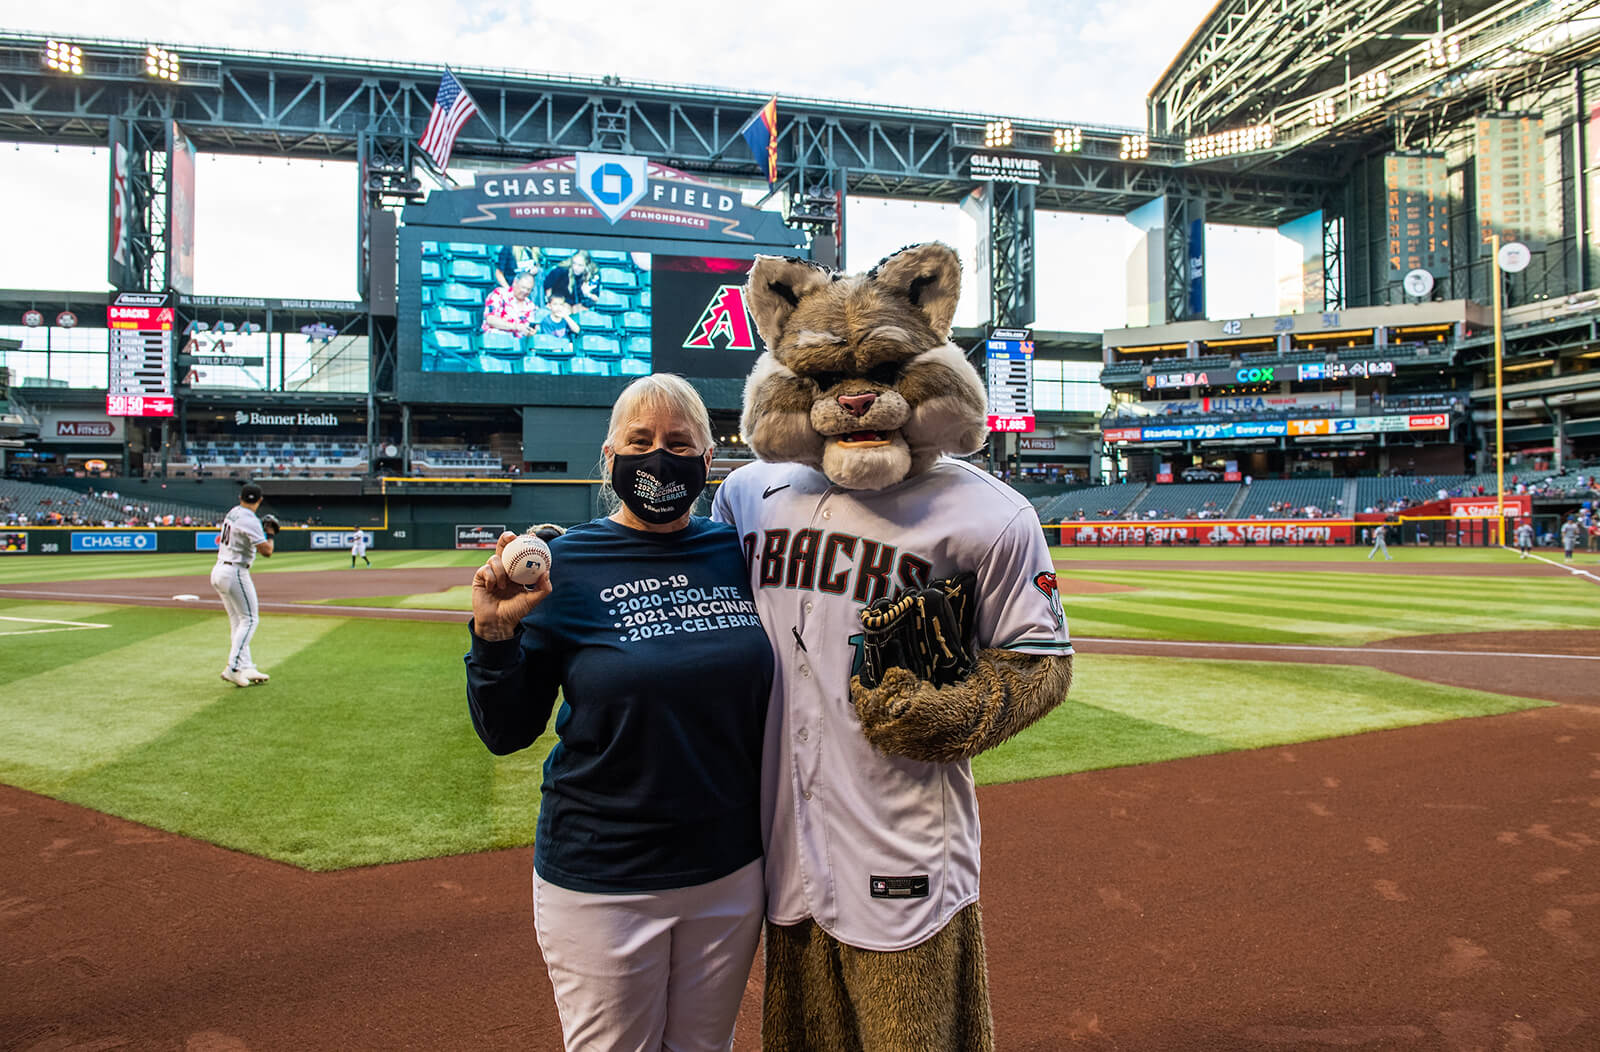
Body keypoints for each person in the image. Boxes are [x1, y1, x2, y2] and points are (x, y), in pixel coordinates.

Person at [464, 374, 771, 1052]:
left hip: (729, 868)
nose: (658, 456)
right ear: (610, 456)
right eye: (641, 440)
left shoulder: (738, 555)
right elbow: (507, 730)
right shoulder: (566, 564)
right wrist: (493, 637)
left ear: (708, 460)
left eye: (678, 443)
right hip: (605, 874)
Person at [211, 483, 274, 687]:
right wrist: (271, 533)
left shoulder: (234, 512)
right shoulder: (250, 519)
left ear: (240, 497)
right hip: (235, 571)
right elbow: (267, 551)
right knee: (250, 620)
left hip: (220, 568)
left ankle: (245, 666)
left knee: (238, 622)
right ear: (260, 500)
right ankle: (233, 667)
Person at [480, 271, 540, 338]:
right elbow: (490, 320)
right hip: (495, 340)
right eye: (523, 287)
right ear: (515, 282)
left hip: (520, 343)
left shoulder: (531, 306)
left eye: (528, 289)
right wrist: (516, 327)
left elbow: (531, 326)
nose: (525, 291)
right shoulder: (499, 294)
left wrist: (531, 332)